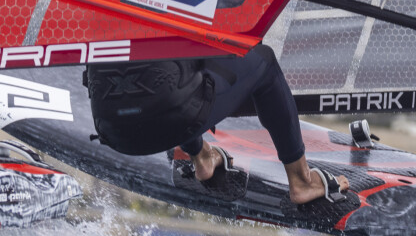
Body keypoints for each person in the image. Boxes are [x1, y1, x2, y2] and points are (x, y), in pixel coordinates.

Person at [86, 44, 349, 205]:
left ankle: (202, 157)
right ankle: (302, 181)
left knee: (173, 71)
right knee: (263, 61)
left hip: (112, 129)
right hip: (174, 115)